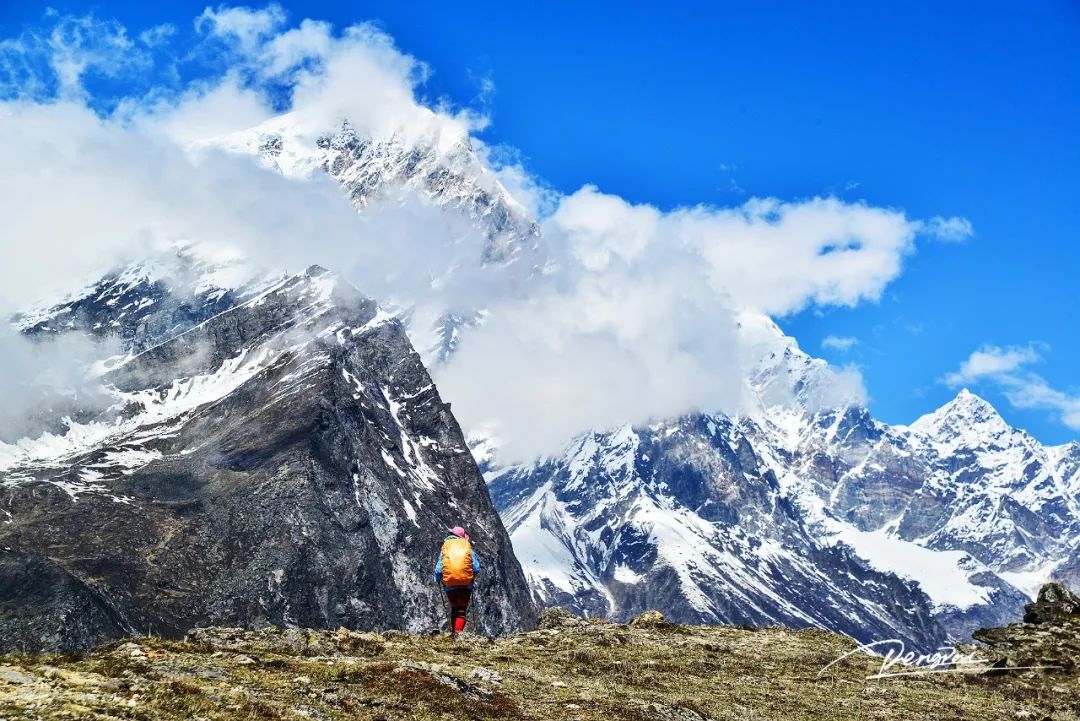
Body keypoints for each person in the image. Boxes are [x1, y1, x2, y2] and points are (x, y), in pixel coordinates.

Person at [433, 526, 480, 635]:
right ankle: (458, 635)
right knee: (461, 611)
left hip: (449, 584)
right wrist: (470, 576)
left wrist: (438, 579)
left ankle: (454, 633)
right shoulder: (467, 547)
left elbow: (439, 568)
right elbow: (476, 568)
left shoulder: (445, 547)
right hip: (465, 584)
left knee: (454, 608)